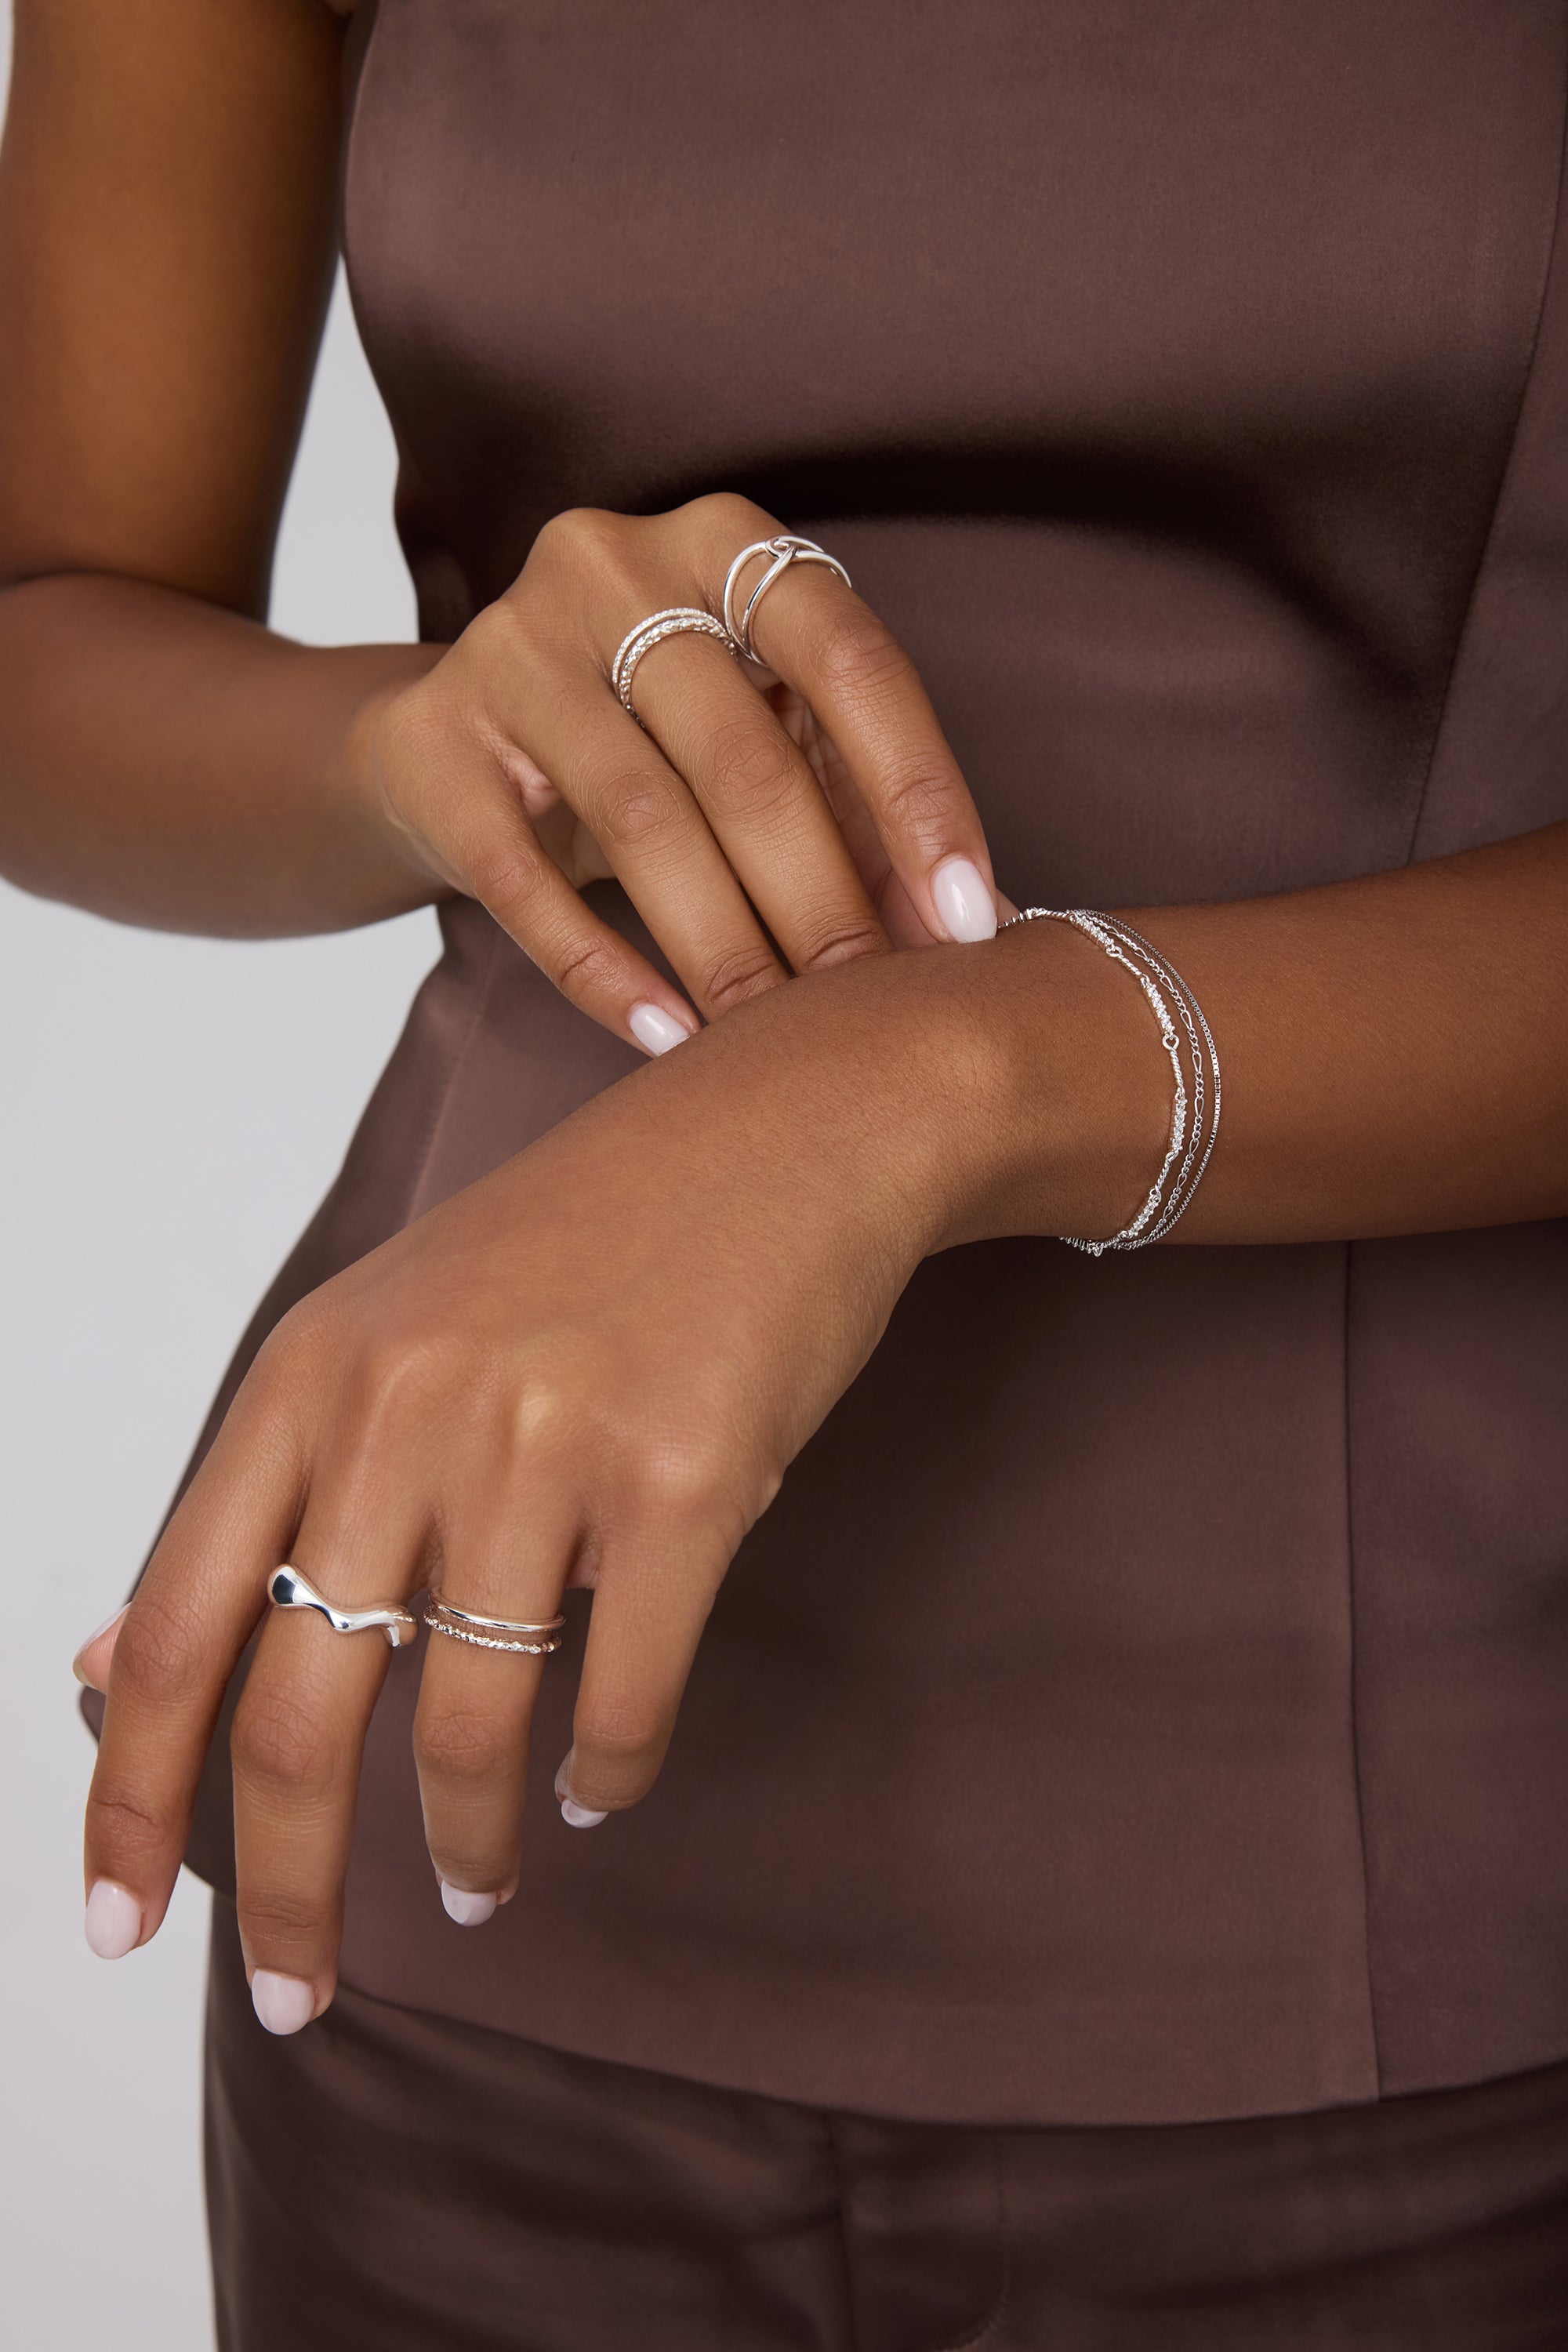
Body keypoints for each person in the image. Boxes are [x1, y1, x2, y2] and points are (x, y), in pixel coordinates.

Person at [5, 0, 1566, 2343]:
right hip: (443, 1867)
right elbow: (47, 629)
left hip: (1428, 1940)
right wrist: (420, 745)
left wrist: (945, 1070)